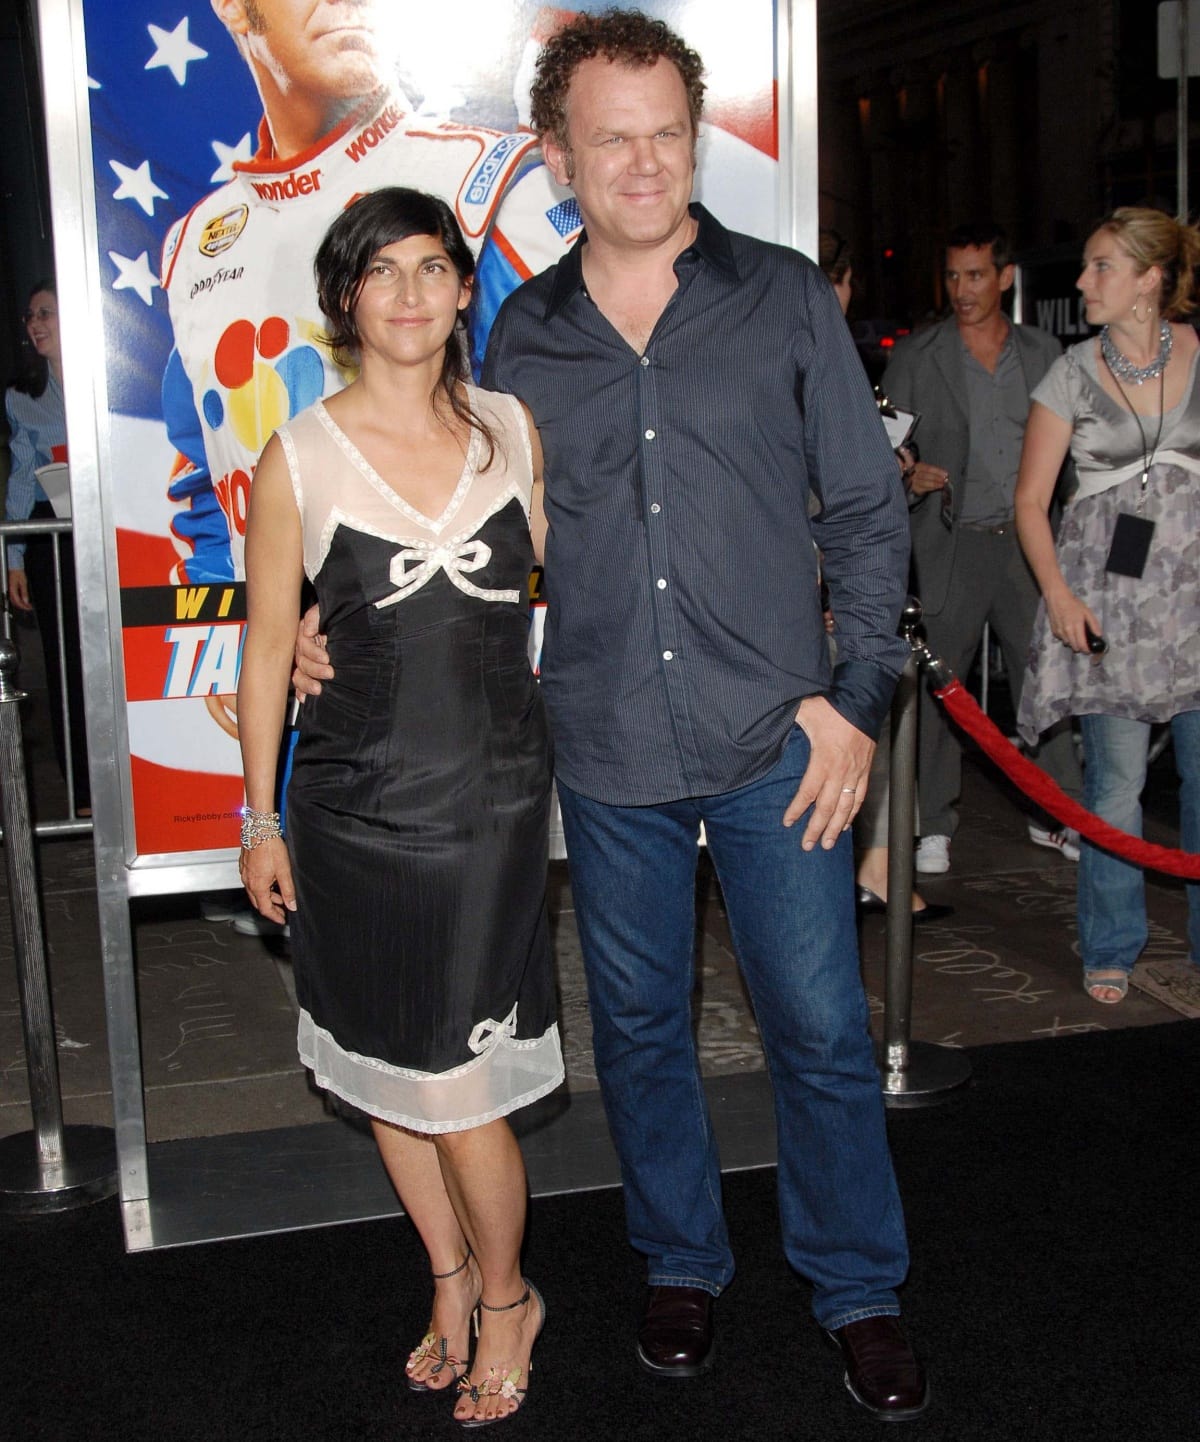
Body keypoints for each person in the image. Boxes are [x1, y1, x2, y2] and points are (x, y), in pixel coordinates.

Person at [299, 10, 927, 1421]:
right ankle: (681, 1261)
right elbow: (434, 513)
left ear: (692, 137)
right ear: (557, 156)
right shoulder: (521, 332)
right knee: (638, 1029)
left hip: (784, 745)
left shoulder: (781, 299)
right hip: (601, 745)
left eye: (666, 132)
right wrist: (313, 630)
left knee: (821, 1026)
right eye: (612, 137)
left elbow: (871, 512)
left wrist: (857, 705)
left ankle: (858, 1286)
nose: (644, 161)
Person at [237, 187, 562, 1425]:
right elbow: (270, 651)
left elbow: (560, 604)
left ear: (463, 288)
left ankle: (507, 1298)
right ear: (345, 300)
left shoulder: (514, 427)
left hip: (486, 811)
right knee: (383, 1073)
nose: (413, 293)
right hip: (348, 812)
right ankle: (445, 1276)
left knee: (461, 1087)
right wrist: (259, 819)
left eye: (434, 267)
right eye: (384, 272)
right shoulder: (300, 455)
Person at [162, 0, 580, 583]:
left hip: (464, 637)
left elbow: (572, 458)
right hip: (300, 650)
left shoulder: (487, 185)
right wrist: (269, 626)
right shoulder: (194, 246)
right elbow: (211, 490)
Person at [1014, 207, 1200, 1004]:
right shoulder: (1071, 371)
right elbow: (1030, 501)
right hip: (1113, 606)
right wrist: (1058, 594)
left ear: (1149, 280)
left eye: (1100, 268)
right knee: (1117, 785)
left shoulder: (1199, 353)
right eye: (1086, 266)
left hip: (1193, 600)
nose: (1084, 282)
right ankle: (1113, 946)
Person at [882, 222, 1083, 875]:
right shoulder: (919, 355)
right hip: (952, 538)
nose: (962, 290)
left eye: (975, 276)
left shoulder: (1044, 351)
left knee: (1044, 684)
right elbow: (884, 454)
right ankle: (933, 821)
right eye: (952, 277)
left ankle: (1057, 814)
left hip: (1026, 546)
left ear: (1003, 278)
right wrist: (908, 477)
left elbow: (1072, 455)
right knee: (942, 682)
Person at [818, 231, 951, 924]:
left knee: (875, 721)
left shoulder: (840, 363)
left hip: (855, 584)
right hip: (823, 586)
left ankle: (875, 862)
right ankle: (860, 866)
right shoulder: (805, 358)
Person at [4, 280, 90, 814]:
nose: (35, 324)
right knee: (66, 663)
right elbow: (19, 475)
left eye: (46, 313)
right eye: (30, 316)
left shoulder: (107, 380)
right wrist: (11, 556)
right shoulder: (22, 397)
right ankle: (82, 789)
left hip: (109, 532)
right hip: (52, 537)